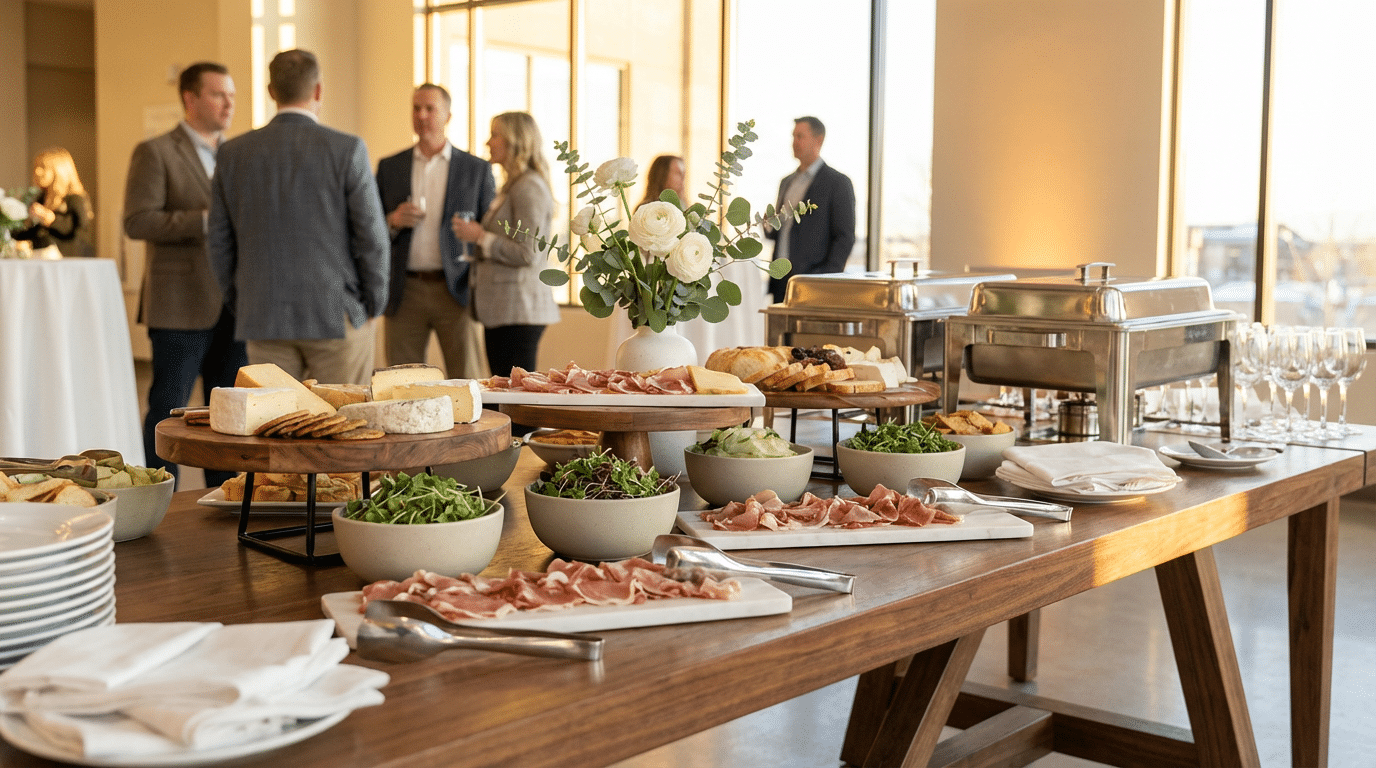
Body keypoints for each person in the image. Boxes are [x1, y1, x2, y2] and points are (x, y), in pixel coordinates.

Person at [208, 49, 389, 385]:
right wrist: (373, 305)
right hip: (337, 313)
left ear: (271, 91)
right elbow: (372, 237)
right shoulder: (347, 149)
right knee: (343, 424)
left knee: (275, 425)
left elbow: (219, 241)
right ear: (318, 90)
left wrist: (242, 300)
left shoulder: (232, 153)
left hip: (263, 314)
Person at [125, 61, 246, 487]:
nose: (229, 102)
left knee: (229, 412)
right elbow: (137, 221)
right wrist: (205, 221)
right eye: (218, 94)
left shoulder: (237, 154)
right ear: (190, 99)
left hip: (234, 304)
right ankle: (160, 497)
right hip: (179, 305)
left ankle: (225, 493)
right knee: (169, 409)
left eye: (231, 94)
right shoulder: (156, 151)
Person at [376, 84, 497, 380]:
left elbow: (491, 230)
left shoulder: (476, 169)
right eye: (416, 108)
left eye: (430, 109)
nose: (422, 115)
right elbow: (369, 228)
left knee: (467, 381)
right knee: (399, 382)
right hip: (404, 290)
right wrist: (392, 220)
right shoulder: (390, 166)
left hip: (456, 289)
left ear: (448, 116)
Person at [450, 111, 560, 380]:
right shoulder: (512, 186)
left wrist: (480, 237)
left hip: (519, 312)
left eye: (495, 135)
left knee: (517, 400)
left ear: (515, 141)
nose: (489, 142)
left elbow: (529, 251)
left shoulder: (529, 187)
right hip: (503, 311)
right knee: (505, 395)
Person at [765, 116, 855, 303]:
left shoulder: (837, 183)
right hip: (781, 279)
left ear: (818, 139)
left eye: (800, 136)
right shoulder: (787, 182)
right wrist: (768, 224)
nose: (794, 142)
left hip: (814, 282)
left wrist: (826, 277)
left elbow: (845, 236)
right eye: (793, 136)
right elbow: (781, 233)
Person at [12, 148, 94, 259]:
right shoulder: (40, 198)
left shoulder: (75, 198)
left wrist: (51, 219)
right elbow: (32, 232)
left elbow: (79, 231)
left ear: (59, 171)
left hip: (68, 261)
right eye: (36, 167)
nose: (37, 172)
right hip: (41, 259)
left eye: (43, 168)